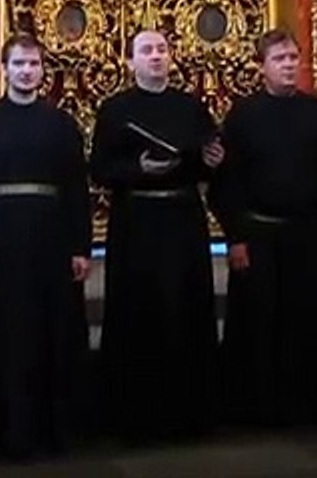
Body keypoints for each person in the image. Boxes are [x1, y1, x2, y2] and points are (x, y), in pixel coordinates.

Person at [0, 33, 91, 459]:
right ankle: (3, 433)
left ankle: (52, 431)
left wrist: (80, 247)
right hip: (1, 241)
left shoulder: (61, 124)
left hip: (51, 240)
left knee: (52, 333)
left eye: (33, 64)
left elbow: (76, 188)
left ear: (42, 70)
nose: (27, 71)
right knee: (4, 336)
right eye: (18, 64)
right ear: (4, 69)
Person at [90, 29, 224, 441]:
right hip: (137, 222)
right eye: (146, 50)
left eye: (162, 49)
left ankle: (190, 415)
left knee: (186, 310)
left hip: (182, 220)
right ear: (130, 61)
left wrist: (211, 160)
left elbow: (205, 161)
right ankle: (135, 417)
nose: (155, 56)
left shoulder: (190, 106)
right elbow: (100, 170)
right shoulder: (115, 110)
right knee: (138, 312)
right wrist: (138, 169)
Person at [214, 29, 317, 426]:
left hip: (308, 234)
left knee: (308, 324)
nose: (289, 65)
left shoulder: (316, 113)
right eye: (279, 59)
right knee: (260, 323)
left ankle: (309, 406)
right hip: (258, 236)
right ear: (262, 67)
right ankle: (259, 409)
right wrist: (235, 237)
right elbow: (228, 182)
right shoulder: (242, 115)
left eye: (292, 58)